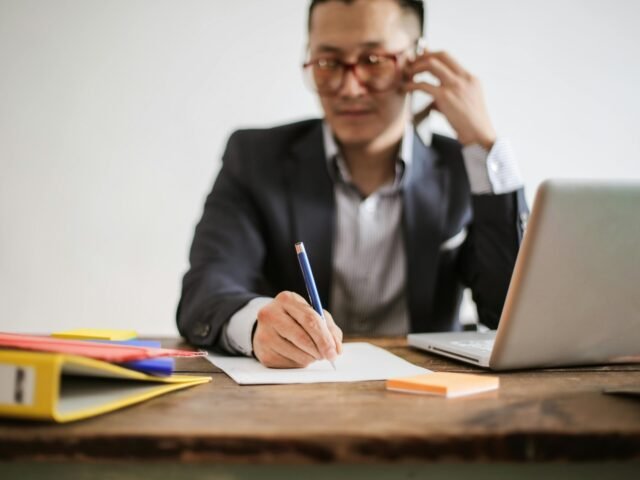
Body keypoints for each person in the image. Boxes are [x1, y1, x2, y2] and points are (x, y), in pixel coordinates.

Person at [177, 0, 528, 368]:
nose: (349, 87)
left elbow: (512, 314)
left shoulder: (466, 168)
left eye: (373, 60)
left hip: (431, 398)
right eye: (328, 62)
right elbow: (205, 290)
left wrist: (485, 146)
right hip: (293, 400)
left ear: (418, 60)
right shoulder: (255, 158)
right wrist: (256, 325)